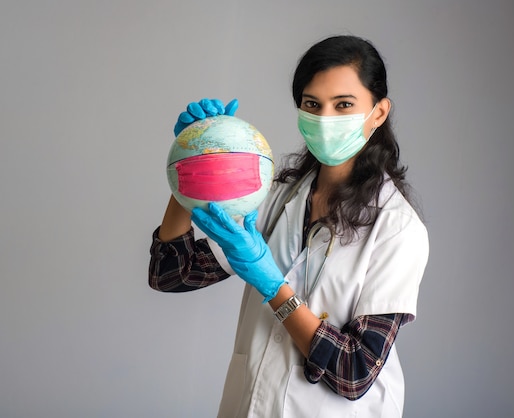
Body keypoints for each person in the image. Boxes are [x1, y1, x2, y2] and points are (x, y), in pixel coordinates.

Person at [149, 35, 429, 418]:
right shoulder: (277, 197)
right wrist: (193, 160)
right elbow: (171, 273)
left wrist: (274, 288)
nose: (325, 119)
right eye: (312, 105)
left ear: (378, 113)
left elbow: (355, 372)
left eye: (343, 105)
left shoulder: (397, 228)